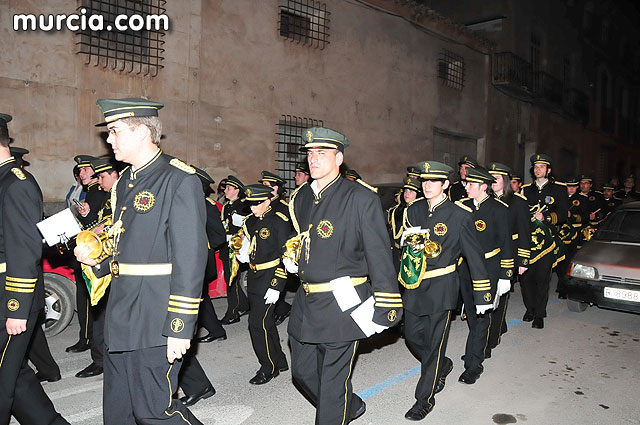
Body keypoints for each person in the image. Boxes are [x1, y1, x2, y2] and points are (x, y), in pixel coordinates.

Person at [75, 97, 207, 424]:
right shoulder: (126, 183)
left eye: (115, 131)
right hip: (122, 311)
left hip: (155, 314)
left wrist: (179, 326)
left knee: (154, 410)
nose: (109, 139)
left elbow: (191, 258)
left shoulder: (178, 180)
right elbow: (126, 243)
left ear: (143, 132)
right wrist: (98, 259)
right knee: (119, 411)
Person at [286, 127, 402, 424]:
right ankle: (349, 406)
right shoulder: (299, 198)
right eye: (310, 154)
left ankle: (337, 409)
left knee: (332, 386)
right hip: (306, 302)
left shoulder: (360, 198)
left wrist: (387, 303)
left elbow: (378, 253)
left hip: (343, 304)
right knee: (302, 371)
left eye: (321, 153)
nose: (313, 160)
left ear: (339, 158)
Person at [400, 160, 490, 420]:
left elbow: (475, 256)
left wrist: (483, 293)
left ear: (445, 185)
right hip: (415, 284)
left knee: (434, 342)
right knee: (411, 336)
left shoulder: (459, 215)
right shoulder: (414, 210)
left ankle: (424, 400)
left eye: (433, 182)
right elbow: (406, 245)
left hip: (441, 286)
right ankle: (443, 364)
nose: (426, 186)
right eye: (424, 181)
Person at [0, 113, 69, 425]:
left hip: (8, 299)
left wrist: (17, 307)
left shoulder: (16, 184)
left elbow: (24, 250)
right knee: (12, 375)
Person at [457, 167, 512, 384]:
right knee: (471, 313)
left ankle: (474, 365)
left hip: (489, 269)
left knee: (482, 317)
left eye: (471, 184)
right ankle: (475, 347)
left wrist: (506, 275)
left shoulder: (499, 209)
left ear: (484, 187)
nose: (467, 187)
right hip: (465, 268)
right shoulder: (462, 207)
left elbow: (507, 242)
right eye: (467, 184)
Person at [175, 165, 224, 408]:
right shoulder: (182, 203)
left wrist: (202, 247)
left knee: (180, 328)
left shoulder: (206, 206)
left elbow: (218, 235)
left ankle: (197, 384)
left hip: (195, 266)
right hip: (177, 268)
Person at [74, 156, 119, 378]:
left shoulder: (123, 196)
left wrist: (92, 232)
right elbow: (102, 223)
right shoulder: (111, 198)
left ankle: (102, 359)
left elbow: (109, 225)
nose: (98, 181)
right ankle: (101, 358)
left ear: (114, 175)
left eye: (101, 177)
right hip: (108, 263)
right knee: (102, 315)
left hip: (120, 265)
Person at [239, 184, 290, 384]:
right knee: (266, 322)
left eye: (257, 204)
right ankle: (280, 360)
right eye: (251, 204)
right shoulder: (250, 221)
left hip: (270, 277)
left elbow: (287, 255)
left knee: (256, 324)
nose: (253, 208)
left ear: (268, 201)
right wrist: (243, 251)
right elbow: (250, 244)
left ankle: (269, 367)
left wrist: (277, 285)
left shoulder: (279, 222)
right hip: (254, 277)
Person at [65, 154, 108, 354]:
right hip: (85, 248)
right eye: (80, 170)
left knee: (91, 300)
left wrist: (87, 216)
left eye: (85, 169)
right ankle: (86, 337)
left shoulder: (99, 192)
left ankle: (89, 339)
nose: (81, 173)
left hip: (94, 252)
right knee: (84, 299)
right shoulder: (91, 192)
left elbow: (99, 224)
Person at [486, 162, 530, 355]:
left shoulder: (517, 202)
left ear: (505, 181)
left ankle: (491, 338)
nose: (494, 181)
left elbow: (524, 233)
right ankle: (498, 326)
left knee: (500, 297)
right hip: (486, 256)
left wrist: (523, 261)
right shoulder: (483, 199)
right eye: (491, 177)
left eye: (498, 178)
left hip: (508, 254)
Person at [520, 154, 568, 329]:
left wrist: (546, 217)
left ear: (548, 170)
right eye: (535, 166)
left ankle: (539, 314)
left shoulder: (559, 189)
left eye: (541, 166)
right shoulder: (526, 190)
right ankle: (530, 308)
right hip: (528, 241)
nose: (537, 169)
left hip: (547, 243)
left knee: (542, 279)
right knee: (526, 279)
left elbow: (563, 214)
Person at [258, 171, 293, 326]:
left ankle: (279, 310)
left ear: (276, 189)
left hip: (277, 252)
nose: (263, 188)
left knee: (275, 283)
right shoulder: (264, 204)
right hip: (264, 251)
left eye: (267, 186)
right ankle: (281, 308)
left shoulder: (283, 207)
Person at [220, 175, 251, 324]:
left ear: (237, 190)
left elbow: (248, 226)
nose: (225, 190)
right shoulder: (227, 206)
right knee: (231, 280)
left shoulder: (243, 206)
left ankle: (232, 313)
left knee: (231, 280)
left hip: (238, 248)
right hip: (227, 247)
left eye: (229, 188)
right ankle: (244, 305)